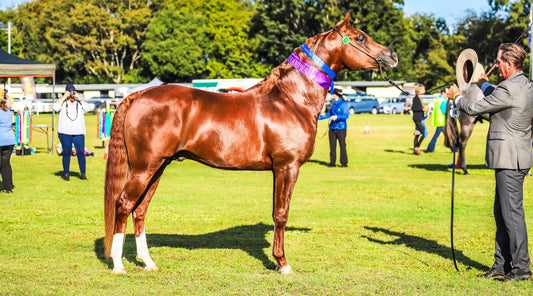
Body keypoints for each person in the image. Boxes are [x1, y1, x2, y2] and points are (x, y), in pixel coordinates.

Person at [448, 43, 533, 281]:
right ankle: (501, 264)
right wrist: (481, 82)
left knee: (511, 214)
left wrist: (456, 97)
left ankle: (521, 269)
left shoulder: (507, 89)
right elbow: (494, 94)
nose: (496, 65)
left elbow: (475, 108)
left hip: (510, 158)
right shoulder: (524, 85)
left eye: (498, 61)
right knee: (502, 212)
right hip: (516, 157)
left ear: (508, 64)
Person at [53, 84, 90, 181]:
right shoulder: (63, 103)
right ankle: (66, 174)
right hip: (65, 132)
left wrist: (80, 98)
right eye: (70, 92)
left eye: (73, 92)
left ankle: (83, 173)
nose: (72, 95)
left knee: (81, 153)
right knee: (66, 153)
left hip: (78, 132)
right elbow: (55, 108)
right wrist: (64, 97)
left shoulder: (79, 104)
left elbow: (88, 108)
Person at [318, 88, 349, 167]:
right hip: (332, 127)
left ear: (336, 95)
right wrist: (318, 118)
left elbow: (346, 115)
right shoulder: (333, 104)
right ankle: (332, 162)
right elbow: (329, 114)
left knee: (342, 145)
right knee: (332, 146)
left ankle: (344, 163)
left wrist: (337, 117)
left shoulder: (344, 104)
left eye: (333, 94)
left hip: (341, 128)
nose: (332, 95)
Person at [0, 92, 15, 193]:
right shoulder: (8, 111)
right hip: (9, 141)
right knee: (6, 164)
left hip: (1, 140)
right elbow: (10, 102)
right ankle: (8, 187)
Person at [426, 88, 447, 152]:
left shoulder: (438, 99)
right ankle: (455, 148)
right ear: (443, 93)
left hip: (439, 120)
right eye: (446, 93)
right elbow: (444, 111)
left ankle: (430, 148)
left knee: (446, 135)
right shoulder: (443, 100)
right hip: (442, 121)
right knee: (446, 136)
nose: (447, 95)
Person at [411, 84, 428, 155]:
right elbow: (414, 108)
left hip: (419, 118)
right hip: (417, 118)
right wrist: (422, 109)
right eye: (423, 89)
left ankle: (415, 150)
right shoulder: (416, 98)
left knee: (417, 134)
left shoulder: (420, 98)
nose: (425, 90)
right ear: (419, 90)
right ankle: (417, 147)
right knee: (423, 132)